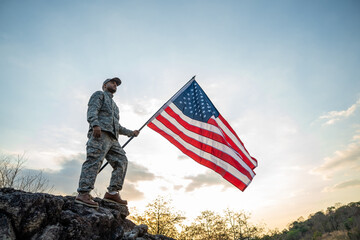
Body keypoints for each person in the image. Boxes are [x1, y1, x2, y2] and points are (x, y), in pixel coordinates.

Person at [75, 77, 139, 208]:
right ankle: (83, 193)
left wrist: (131, 133)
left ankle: (112, 192)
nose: (115, 85)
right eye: (112, 82)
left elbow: (117, 126)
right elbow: (92, 110)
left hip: (113, 139)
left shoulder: (115, 107)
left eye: (116, 84)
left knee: (122, 161)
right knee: (94, 160)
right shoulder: (99, 95)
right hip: (100, 133)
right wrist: (95, 125)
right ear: (105, 85)